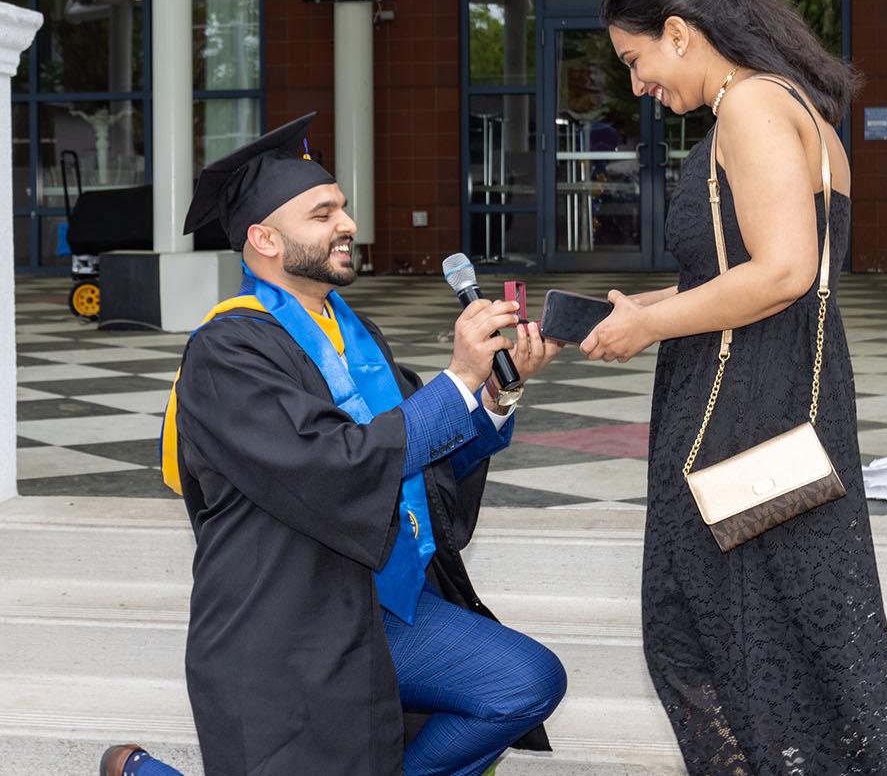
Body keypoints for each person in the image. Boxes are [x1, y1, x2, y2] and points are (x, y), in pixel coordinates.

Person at [103, 113, 567, 776]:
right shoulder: (229, 351)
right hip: (292, 618)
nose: (348, 225)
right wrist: (458, 377)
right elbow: (333, 466)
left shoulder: (354, 333)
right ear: (264, 239)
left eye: (343, 209)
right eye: (323, 214)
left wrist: (493, 395)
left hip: (379, 600)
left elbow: (420, 453)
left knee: (522, 681)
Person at [580, 0, 887, 775]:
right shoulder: (788, 104)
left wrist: (651, 331)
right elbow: (744, 276)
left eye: (635, 60)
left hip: (743, 417)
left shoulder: (750, 108)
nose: (636, 86)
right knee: (788, 646)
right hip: (778, 399)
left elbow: (783, 272)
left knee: (709, 641)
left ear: (680, 34)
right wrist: (640, 312)